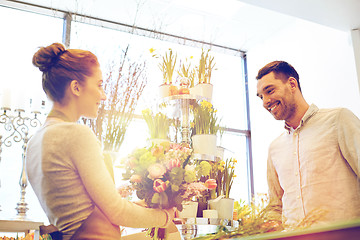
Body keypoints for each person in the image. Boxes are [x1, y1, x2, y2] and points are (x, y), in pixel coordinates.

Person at [27, 42, 178, 240]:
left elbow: (81, 207)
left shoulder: (34, 142)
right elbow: (117, 212)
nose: (104, 95)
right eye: (99, 85)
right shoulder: (76, 134)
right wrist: (167, 217)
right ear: (76, 87)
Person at [256, 60, 360, 227]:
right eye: (261, 97)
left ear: (292, 84)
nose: (265, 102)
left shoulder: (338, 120)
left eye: (270, 91)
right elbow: (275, 207)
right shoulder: (274, 149)